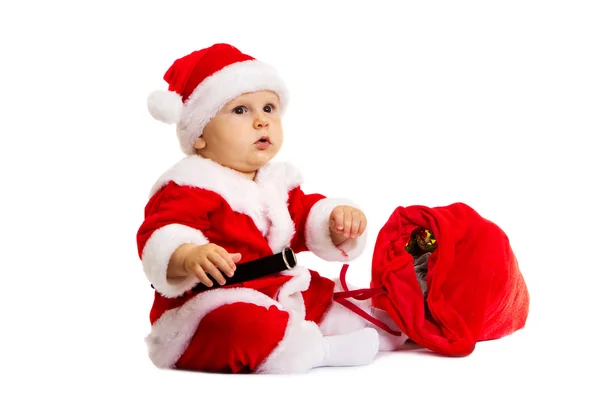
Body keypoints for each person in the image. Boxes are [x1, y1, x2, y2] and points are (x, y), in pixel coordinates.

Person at [137, 43, 407, 374]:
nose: (261, 121)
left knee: (338, 301)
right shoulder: (188, 186)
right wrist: (186, 255)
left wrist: (334, 220)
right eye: (240, 111)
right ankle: (317, 350)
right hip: (205, 306)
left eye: (269, 108)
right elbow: (162, 233)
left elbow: (306, 216)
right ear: (199, 135)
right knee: (240, 326)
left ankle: (384, 329)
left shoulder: (275, 184)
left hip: (276, 288)